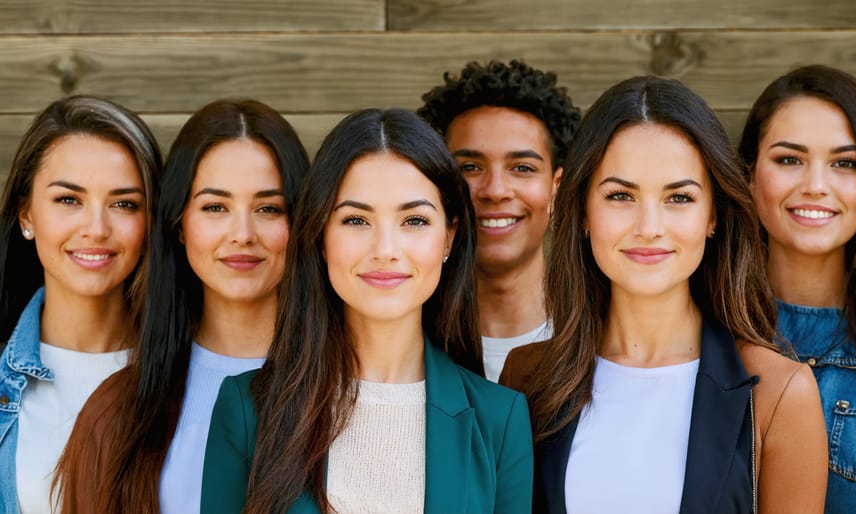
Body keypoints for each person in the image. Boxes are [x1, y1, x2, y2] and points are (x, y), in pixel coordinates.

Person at [500, 76, 828, 513]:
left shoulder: (780, 393)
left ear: (713, 215)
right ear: (582, 209)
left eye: (678, 197)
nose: (649, 225)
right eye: (620, 195)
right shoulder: (526, 377)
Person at [201, 108, 533, 514]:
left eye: (414, 220)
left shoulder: (499, 419)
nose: (386, 251)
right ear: (321, 235)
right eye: (357, 220)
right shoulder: (247, 407)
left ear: (449, 236)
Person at [53, 99, 310, 514]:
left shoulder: (346, 387)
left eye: (268, 208)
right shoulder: (117, 412)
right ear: (179, 224)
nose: (242, 233)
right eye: (215, 207)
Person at [739, 65, 856, 514]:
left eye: (845, 163)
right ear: (749, 176)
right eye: (789, 159)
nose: (815, 185)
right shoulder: (703, 334)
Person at [0, 95, 161, 514]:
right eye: (69, 199)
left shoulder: (188, 377)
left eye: (124, 204)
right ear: (26, 215)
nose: (96, 228)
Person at [418, 60, 581, 381]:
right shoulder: (406, 343)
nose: (495, 191)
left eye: (522, 167)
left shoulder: (599, 340)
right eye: (469, 167)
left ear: (557, 190)